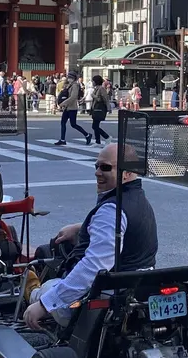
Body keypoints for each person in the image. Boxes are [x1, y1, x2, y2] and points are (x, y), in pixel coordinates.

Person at [23, 142, 158, 330]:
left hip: (106, 299)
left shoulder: (112, 209)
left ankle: (32, 292)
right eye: (96, 166)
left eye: (105, 167)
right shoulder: (137, 199)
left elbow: (95, 265)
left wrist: (45, 304)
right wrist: (80, 228)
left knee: (47, 289)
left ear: (127, 173)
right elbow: (122, 232)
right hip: (138, 283)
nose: (97, 172)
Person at [56, 75, 91, 146]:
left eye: (71, 78)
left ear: (74, 78)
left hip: (72, 108)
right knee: (63, 123)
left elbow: (73, 97)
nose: (69, 79)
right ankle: (62, 139)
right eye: (69, 77)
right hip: (67, 107)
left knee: (73, 124)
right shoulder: (69, 85)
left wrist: (63, 103)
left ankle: (87, 135)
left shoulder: (75, 86)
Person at [90, 74, 111, 145]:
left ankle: (107, 137)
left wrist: (108, 108)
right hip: (95, 109)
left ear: (96, 82)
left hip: (99, 109)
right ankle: (97, 141)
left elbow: (104, 98)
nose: (92, 82)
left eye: (93, 81)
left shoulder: (101, 89)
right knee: (95, 126)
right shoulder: (96, 88)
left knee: (94, 126)